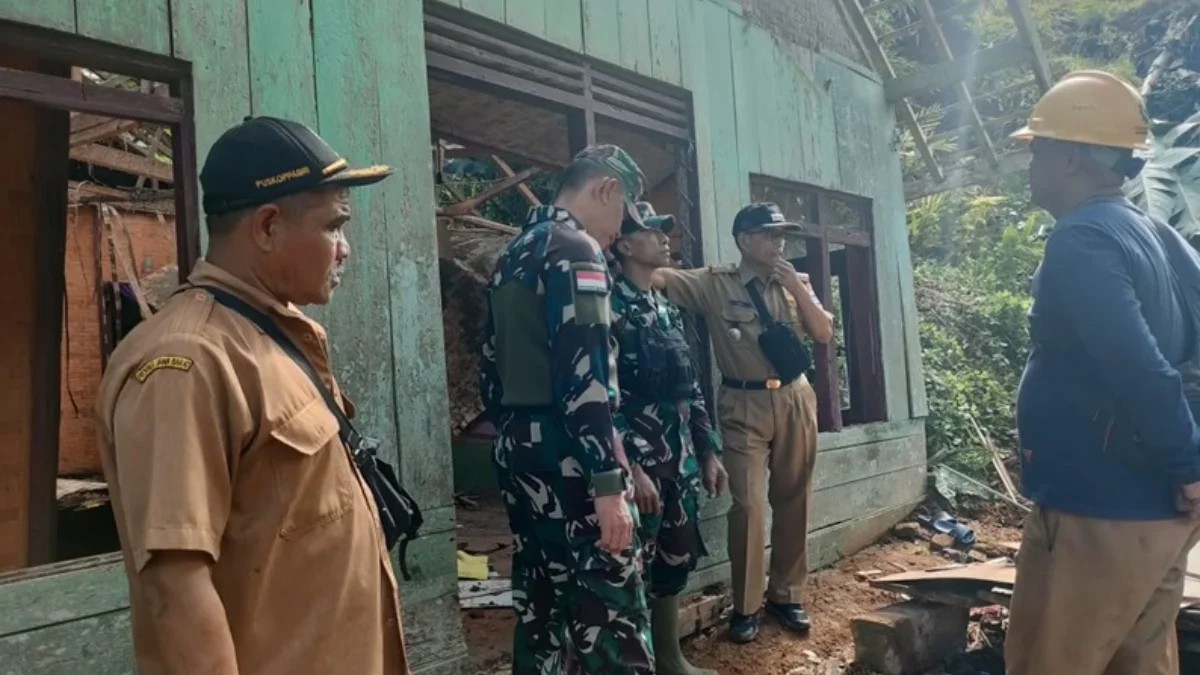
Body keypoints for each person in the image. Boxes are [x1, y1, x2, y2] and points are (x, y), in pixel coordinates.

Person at [95, 116, 408, 675]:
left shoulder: (266, 336)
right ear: (267, 228)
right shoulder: (189, 362)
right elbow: (175, 588)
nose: (345, 250)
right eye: (335, 226)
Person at [1007, 70, 1200, 675]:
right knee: (1140, 663)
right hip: (1153, 511)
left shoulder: (1082, 239)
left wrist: (1189, 464)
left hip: (1100, 510)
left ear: (1069, 157)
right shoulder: (1158, 234)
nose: (1030, 163)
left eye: (1038, 149)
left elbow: (1138, 364)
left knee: (1053, 660)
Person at [479, 144, 655, 674]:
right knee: (613, 616)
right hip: (573, 461)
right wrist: (608, 485)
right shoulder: (575, 250)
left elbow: (489, 366)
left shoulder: (515, 252)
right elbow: (586, 380)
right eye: (622, 214)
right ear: (606, 190)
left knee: (542, 612)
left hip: (521, 452)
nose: (619, 233)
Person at [652, 203, 833, 643]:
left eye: (782, 235)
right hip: (742, 403)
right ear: (745, 240)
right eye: (770, 235)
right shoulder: (715, 285)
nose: (779, 243)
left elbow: (824, 332)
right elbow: (657, 278)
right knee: (748, 506)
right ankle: (747, 606)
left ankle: (786, 595)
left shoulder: (794, 282)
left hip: (794, 398)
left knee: (795, 499)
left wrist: (798, 287)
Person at [610, 202, 729, 675]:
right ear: (624, 246)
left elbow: (692, 386)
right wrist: (631, 469)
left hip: (679, 463)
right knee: (632, 570)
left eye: (665, 231)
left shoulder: (665, 307)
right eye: (652, 231)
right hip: (641, 467)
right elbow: (603, 398)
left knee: (674, 561)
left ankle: (670, 659)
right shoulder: (608, 308)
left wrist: (708, 451)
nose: (664, 238)